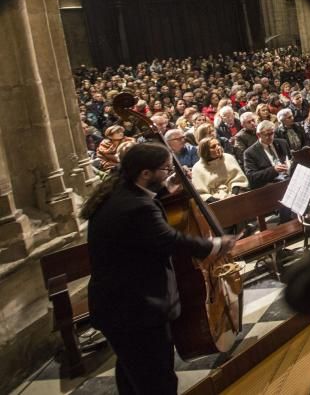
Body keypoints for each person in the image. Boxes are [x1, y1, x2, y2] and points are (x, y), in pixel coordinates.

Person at [81, 143, 236, 394]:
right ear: (145, 173)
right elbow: (169, 240)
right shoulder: (136, 206)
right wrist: (215, 245)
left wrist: (165, 189)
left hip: (117, 306)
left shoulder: (119, 192)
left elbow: (143, 224)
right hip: (136, 309)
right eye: (164, 169)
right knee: (158, 381)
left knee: (132, 376)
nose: (167, 173)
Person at [243, 120, 291, 189]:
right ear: (258, 135)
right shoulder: (250, 153)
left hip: (288, 179)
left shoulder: (282, 143)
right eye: (267, 134)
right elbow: (252, 177)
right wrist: (273, 170)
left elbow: (291, 159)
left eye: (272, 133)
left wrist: (290, 164)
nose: (271, 137)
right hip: (270, 185)